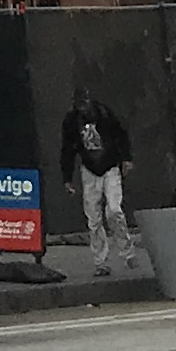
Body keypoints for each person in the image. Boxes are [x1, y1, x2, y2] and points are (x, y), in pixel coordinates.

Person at [57, 80, 135, 277]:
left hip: (110, 166)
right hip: (89, 169)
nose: (82, 108)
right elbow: (67, 150)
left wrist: (126, 158)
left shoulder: (104, 113)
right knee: (93, 218)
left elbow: (120, 134)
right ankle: (101, 261)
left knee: (114, 210)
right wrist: (67, 177)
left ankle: (127, 251)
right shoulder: (70, 121)